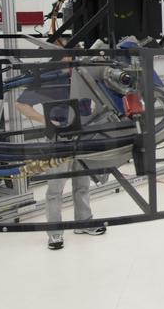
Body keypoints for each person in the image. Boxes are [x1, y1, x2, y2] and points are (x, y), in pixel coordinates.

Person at [14, 48, 104, 250]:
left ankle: (84, 222)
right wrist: (44, 119)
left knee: (82, 183)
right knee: (55, 188)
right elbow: (20, 104)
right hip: (58, 138)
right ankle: (54, 233)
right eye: (69, 56)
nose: (73, 59)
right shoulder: (48, 80)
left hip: (82, 135)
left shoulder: (81, 77)